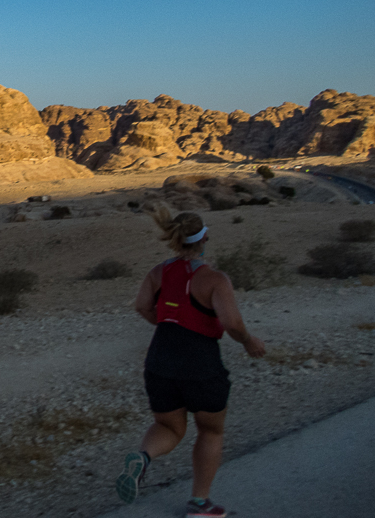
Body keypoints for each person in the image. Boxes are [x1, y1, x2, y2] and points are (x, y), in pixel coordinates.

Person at [114, 207, 266, 518]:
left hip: (159, 360)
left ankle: (142, 458)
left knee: (167, 425)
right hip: (201, 363)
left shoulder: (158, 273)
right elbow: (232, 323)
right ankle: (199, 503)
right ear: (204, 238)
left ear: (175, 239)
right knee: (210, 431)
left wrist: (168, 322)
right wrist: (248, 340)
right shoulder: (214, 279)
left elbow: (142, 306)